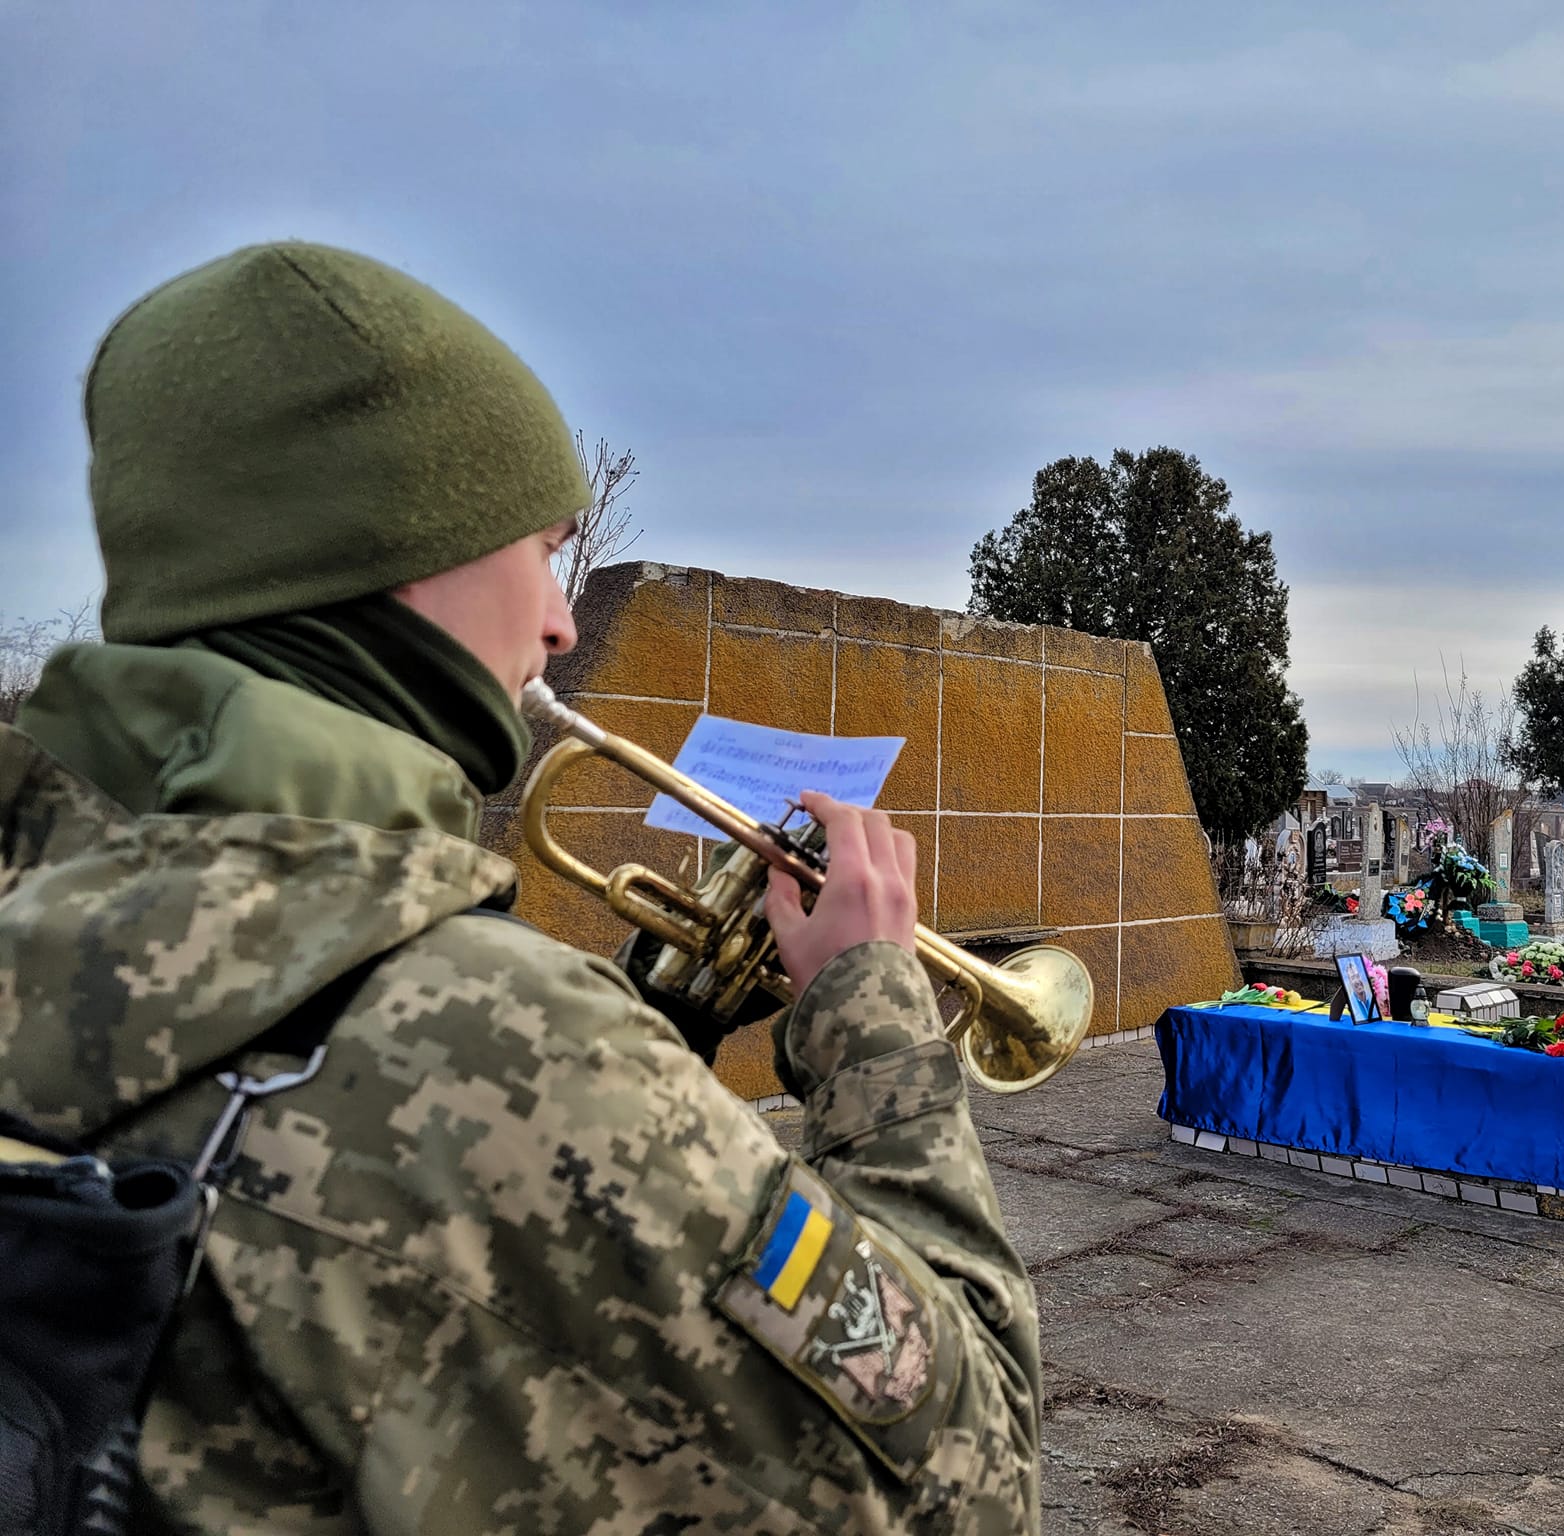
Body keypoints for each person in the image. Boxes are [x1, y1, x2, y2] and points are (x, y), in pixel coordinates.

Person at [0, 243, 1041, 1533]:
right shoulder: (496, 1042)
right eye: (548, 550)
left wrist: (662, 1014)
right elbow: (975, 1479)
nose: (558, 620)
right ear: (391, 549)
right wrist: (872, 1008)